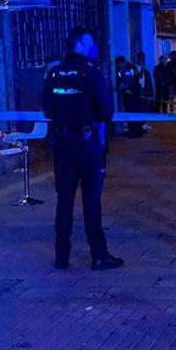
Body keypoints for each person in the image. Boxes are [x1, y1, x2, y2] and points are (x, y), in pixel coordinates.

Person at [42, 28, 124, 272]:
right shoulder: (92, 72)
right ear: (79, 45)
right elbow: (107, 111)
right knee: (91, 202)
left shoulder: (54, 74)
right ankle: (99, 255)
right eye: (90, 43)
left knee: (64, 201)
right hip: (88, 145)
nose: (94, 47)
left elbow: (47, 110)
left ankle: (61, 256)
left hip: (63, 145)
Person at [114, 56, 140, 136]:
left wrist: (130, 88)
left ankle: (136, 130)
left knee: (134, 110)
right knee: (128, 110)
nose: (119, 66)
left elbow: (135, 79)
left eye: (120, 65)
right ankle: (131, 128)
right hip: (125, 93)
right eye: (118, 65)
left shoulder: (132, 68)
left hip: (133, 93)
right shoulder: (119, 70)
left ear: (123, 62)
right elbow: (119, 79)